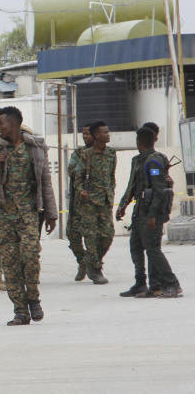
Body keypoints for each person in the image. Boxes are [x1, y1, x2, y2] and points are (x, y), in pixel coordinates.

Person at [0, 107, 57, 326]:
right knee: (9, 265)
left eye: (1, 123)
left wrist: (51, 213)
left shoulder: (34, 148)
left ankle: (33, 298)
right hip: (4, 216)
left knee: (30, 256)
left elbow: (46, 181)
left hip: (29, 214)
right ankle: (20, 311)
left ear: (13, 124)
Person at [116, 127, 183, 298]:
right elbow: (133, 186)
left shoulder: (153, 162)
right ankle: (147, 285)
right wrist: (123, 205)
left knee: (153, 249)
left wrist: (153, 215)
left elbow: (159, 190)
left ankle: (172, 283)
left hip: (151, 213)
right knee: (136, 246)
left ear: (139, 142)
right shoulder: (139, 160)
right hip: (140, 211)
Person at [71, 121, 116, 285]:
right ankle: (96, 270)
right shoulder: (86, 154)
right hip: (88, 202)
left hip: (104, 201)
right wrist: (81, 190)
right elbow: (77, 178)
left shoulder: (111, 153)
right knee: (90, 238)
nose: (108, 134)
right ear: (97, 135)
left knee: (107, 235)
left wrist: (111, 193)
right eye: (105, 132)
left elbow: (112, 177)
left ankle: (90, 262)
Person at [66, 125, 93, 281]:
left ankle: (94, 265)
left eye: (88, 134)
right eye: (83, 134)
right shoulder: (78, 153)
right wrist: (84, 160)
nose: (85, 137)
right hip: (78, 202)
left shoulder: (106, 153)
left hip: (96, 203)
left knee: (97, 238)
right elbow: (72, 171)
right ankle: (82, 261)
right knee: (72, 234)